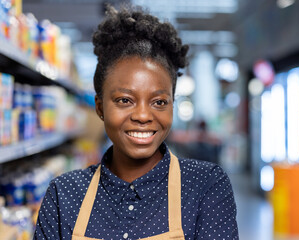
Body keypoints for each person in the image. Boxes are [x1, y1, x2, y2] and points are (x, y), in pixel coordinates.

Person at [34, 5, 239, 240]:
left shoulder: (205, 186)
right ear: (100, 107)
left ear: (173, 104)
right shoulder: (65, 194)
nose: (143, 115)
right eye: (125, 100)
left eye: (159, 102)